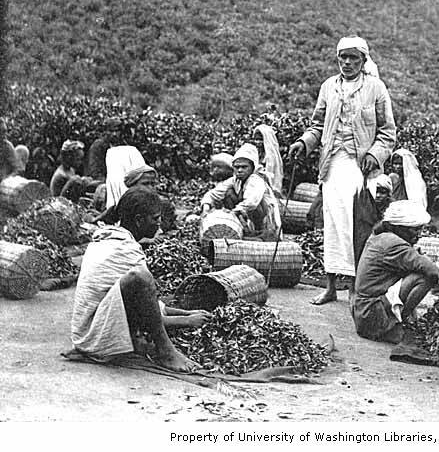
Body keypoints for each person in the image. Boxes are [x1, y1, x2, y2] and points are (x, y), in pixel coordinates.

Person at [288, 35, 396, 305]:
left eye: (353, 58)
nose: (347, 63)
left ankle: (357, 287)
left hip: (361, 167)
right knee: (333, 224)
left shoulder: (375, 88)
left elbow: (388, 132)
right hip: (333, 164)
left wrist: (375, 153)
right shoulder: (329, 87)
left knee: (358, 224)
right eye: (343, 58)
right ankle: (330, 286)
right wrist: (304, 142)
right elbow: (317, 125)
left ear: (363, 60)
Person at [70, 186, 211, 372]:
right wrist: (185, 321)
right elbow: (145, 311)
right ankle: (166, 351)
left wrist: (187, 313)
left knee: (141, 280)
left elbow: (145, 304)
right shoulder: (122, 249)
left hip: (95, 326)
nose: (159, 225)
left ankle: (161, 345)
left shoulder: (112, 237)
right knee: (141, 278)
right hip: (94, 336)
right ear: (138, 221)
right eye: (155, 219)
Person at [352, 200, 439, 343]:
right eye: (414, 230)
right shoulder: (394, 243)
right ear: (398, 227)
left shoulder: (382, 236)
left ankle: (397, 319)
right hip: (371, 315)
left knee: (419, 270)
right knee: (424, 277)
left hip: (363, 310)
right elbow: (432, 271)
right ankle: (393, 324)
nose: (418, 235)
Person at [201, 143, 282, 240]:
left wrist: (231, 213)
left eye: (244, 167)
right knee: (229, 193)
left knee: (250, 207)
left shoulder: (256, 179)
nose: (239, 170)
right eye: (236, 167)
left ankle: (260, 233)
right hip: (248, 216)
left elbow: (251, 202)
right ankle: (244, 228)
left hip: (264, 220)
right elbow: (214, 194)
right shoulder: (235, 180)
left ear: (252, 167)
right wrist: (206, 206)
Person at [96, 164, 177, 234]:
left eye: (152, 184)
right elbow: (104, 220)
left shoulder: (163, 204)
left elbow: (160, 230)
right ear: (132, 186)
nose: (150, 188)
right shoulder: (126, 202)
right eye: (145, 184)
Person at [84, 117, 123, 183]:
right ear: (105, 131)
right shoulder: (98, 146)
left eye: (117, 131)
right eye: (111, 131)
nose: (114, 134)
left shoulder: (120, 144)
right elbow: (95, 171)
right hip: (99, 182)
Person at [255, 124, 284, 197]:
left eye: (260, 140)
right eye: (256, 139)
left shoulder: (270, 156)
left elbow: (270, 175)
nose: (258, 142)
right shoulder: (256, 152)